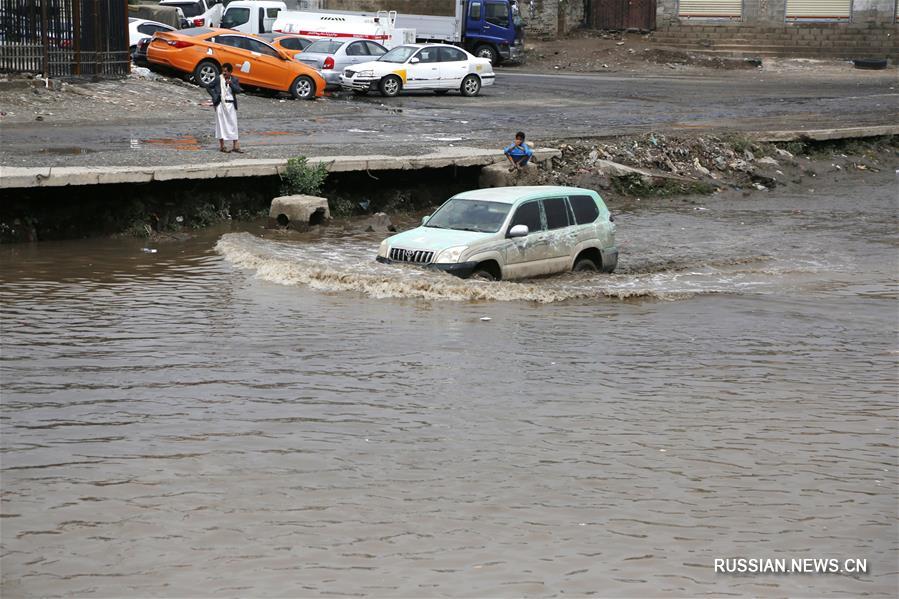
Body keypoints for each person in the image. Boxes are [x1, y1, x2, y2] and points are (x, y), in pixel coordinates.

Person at [207, 63, 244, 153]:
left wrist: (230, 84)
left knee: (233, 125)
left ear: (230, 72)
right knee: (221, 125)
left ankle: (235, 146)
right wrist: (215, 96)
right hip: (221, 104)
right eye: (223, 71)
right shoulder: (218, 79)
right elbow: (208, 87)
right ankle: (222, 146)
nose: (224, 73)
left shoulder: (234, 79)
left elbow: (238, 90)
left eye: (226, 71)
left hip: (231, 105)